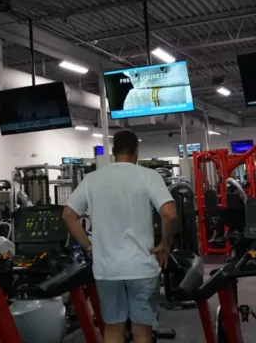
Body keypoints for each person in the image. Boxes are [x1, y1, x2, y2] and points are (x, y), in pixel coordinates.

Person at [62, 130, 177, 343]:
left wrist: (89, 247)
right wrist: (165, 245)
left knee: (113, 329)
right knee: (142, 331)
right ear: (136, 152)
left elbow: (68, 215)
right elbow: (169, 214)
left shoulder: (92, 179)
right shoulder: (148, 176)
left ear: (113, 152)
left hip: (107, 269)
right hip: (141, 267)